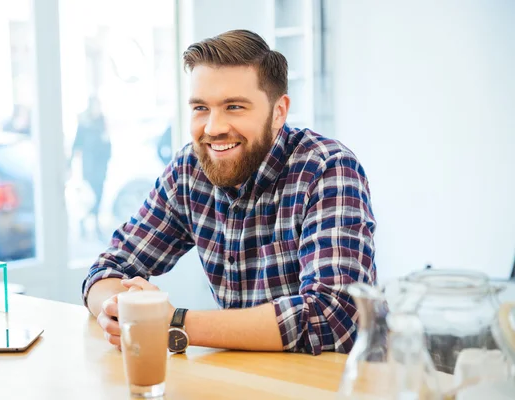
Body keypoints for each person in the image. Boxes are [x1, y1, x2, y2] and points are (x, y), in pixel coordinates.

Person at [82, 30, 376, 356]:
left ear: (279, 112)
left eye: (234, 106)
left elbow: (332, 317)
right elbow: (108, 267)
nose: (213, 127)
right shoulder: (189, 169)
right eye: (201, 108)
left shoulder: (327, 168)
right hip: (240, 378)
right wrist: (115, 309)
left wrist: (173, 322)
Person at [70, 96, 112, 239]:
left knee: (99, 195)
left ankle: (95, 223)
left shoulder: (102, 122)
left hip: (101, 165)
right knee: (89, 196)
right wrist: (70, 165)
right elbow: (77, 144)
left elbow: (108, 143)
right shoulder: (84, 123)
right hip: (89, 166)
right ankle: (83, 221)